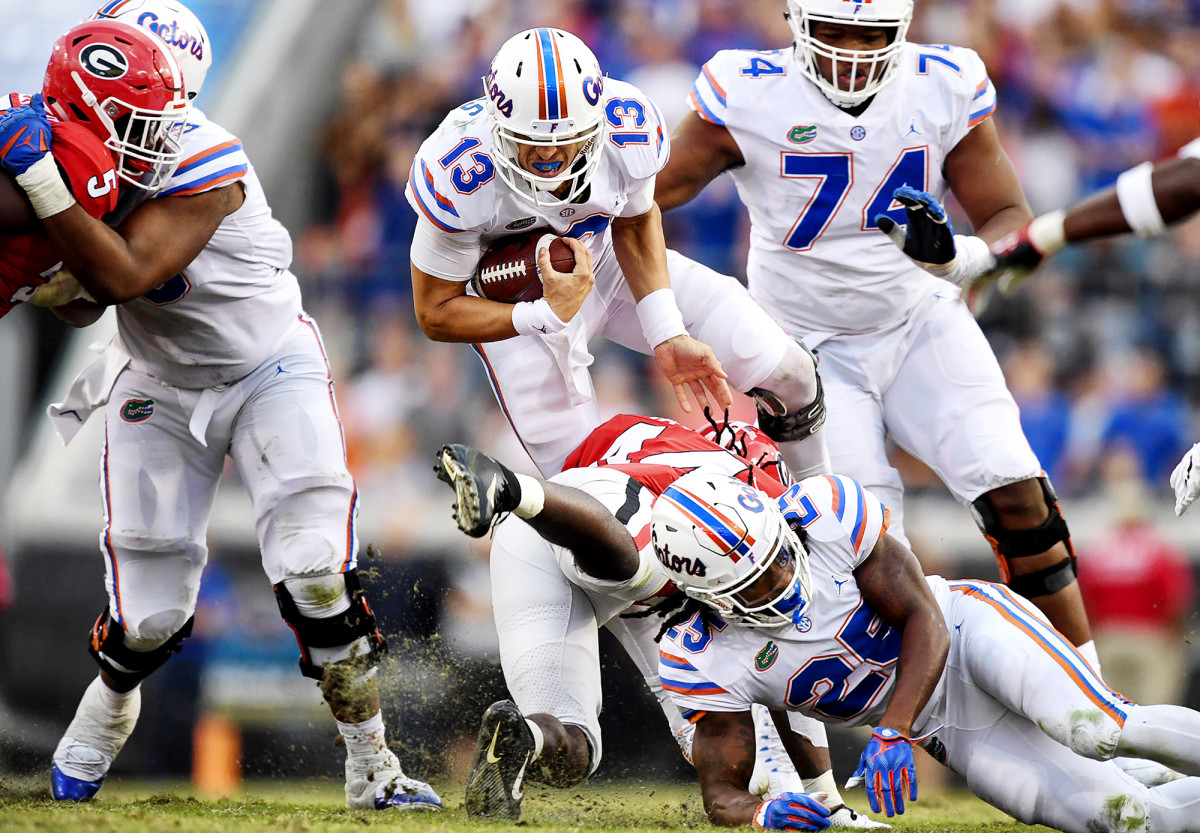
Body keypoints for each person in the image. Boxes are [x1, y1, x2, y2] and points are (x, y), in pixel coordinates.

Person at [0, 10, 440, 810]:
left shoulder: (204, 156)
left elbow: (129, 274)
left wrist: (41, 186)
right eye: (141, 106)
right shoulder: (61, 145)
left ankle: (373, 766)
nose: (163, 124)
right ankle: (104, 711)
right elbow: (81, 305)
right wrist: (40, 265)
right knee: (151, 613)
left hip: (266, 364)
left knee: (313, 571)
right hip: (156, 377)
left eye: (169, 100)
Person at [654, 0, 1100, 671]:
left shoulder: (941, 83)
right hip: (806, 352)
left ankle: (1086, 685)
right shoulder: (747, 93)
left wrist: (955, 256)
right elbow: (642, 196)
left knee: (1017, 490)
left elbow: (1012, 221)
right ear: (796, 22)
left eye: (870, 35)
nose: (851, 54)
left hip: (921, 320)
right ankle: (936, 715)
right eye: (833, 31)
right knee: (870, 550)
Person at [648, 471, 1200, 832]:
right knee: (1124, 819)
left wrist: (893, 727)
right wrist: (763, 812)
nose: (783, 580)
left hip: (965, 630)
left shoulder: (823, 513)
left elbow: (923, 617)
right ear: (707, 598)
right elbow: (721, 791)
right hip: (947, 726)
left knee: (1097, 726)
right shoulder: (699, 653)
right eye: (757, 584)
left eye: (781, 558)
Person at [407, 27, 831, 481]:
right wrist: (540, 315)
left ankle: (820, 507)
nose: (550, 153)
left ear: (596, 119)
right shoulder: (457, 168)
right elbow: (435, 311)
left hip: (607, 260)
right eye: (530, 138)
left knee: (791, 372)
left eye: (567, 136)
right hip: (515, 314)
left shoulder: (627, 127)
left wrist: (666, 331)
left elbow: (635, 219)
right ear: (497, 125)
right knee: (589, 491)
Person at [433, 414, 883, 828]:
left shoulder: (763, 497)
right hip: (586, 516)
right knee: (645, 566)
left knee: (575, 749)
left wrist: (823, 798)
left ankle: (526, 738)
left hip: (545, 535)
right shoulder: (709, 517)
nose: (772, 590)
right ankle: (514, 487)